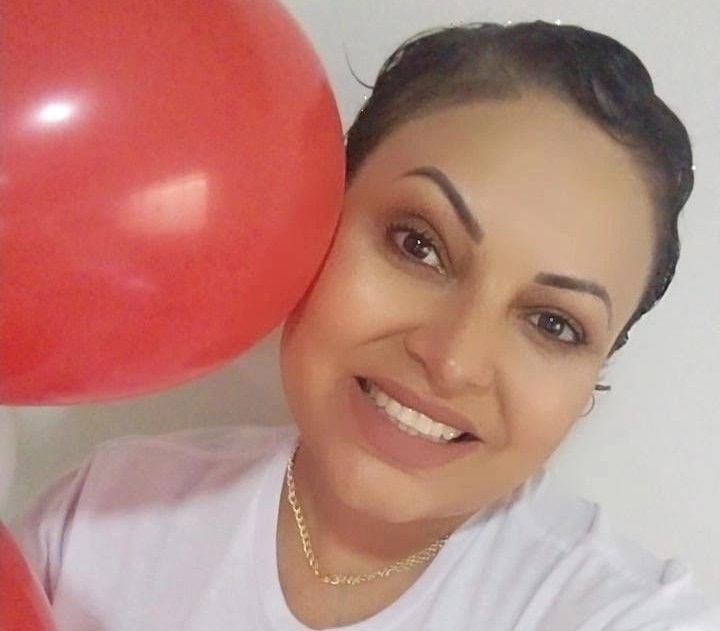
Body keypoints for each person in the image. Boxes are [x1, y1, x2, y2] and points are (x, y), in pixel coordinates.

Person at [13, 21, 719, 630]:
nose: (453, 360)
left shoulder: (621, 614)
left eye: (553, 324)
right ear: (317, 211)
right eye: (419, 244)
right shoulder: (103, 513)